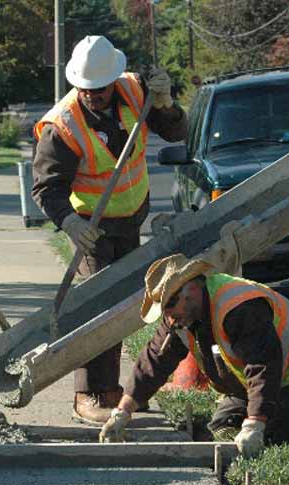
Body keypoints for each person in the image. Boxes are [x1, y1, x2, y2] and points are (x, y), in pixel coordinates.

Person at [32, 35, 188, 425]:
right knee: (97, 309)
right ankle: (87, 394)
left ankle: (111, 389)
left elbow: (176, 132)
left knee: (125, 307)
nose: (95, 96)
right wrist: (70, 224)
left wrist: (167, 103)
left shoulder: (136, 90)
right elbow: (45, 189)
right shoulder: (62, 126)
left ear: (113, 80)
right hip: (93, 230)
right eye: (87, 90)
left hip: (131, 220)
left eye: (100, 89)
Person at [99, 254, 289, 457]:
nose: (168, 315)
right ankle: (266, 417)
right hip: (253, 376)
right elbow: (155, 360)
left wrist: (256, 423)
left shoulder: (238, 306)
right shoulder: (180, 317)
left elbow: (263, 365)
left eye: (170, 303)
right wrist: (123, 411)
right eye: (164, 308)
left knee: (270, 435)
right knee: (223, 430)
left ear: (192, 288)